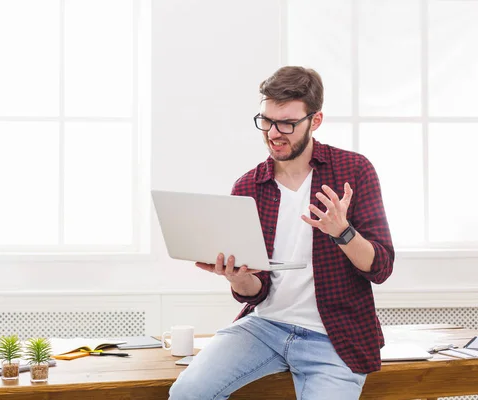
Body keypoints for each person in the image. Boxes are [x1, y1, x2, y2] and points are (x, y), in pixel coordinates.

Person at [168, 66, 394, 400]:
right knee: (187, 393)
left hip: (335, 338)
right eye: (266, 121)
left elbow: (381, 267)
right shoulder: (249, 186)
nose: (274, 133)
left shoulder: (354, 171)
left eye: (287, 123)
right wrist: (236, 277)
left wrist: (342, 232)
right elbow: (255, 291)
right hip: (264, 328)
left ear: (314, 121)